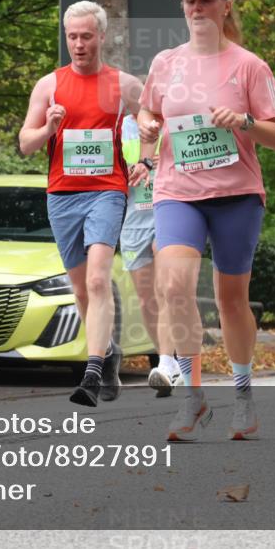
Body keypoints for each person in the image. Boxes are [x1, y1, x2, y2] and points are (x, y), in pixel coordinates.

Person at [137, 0, 275, 441]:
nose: (197, 9)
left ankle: (243, 397)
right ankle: (193, 396)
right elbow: (149, 109)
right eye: (190, 1)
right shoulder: (165, 62)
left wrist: (245, 120)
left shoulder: (249, 66)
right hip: (177, 190)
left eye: (206, 0)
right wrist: (145, 125)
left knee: (231, 299)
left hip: (236, 195)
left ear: (226, 6)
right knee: (175, 285)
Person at [19, 0, 145, 407]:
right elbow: (25, 144)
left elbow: (154, 119)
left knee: (97, 279)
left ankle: (90, 373)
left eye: (86, 36)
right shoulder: (49, 85)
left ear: (101, 37)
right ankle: (108, 353)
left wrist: (143, 158)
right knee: (81, 289)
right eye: (72, 36)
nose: (78, 44)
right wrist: (49, 127)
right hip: (62, 195)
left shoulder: (123, 84)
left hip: (108, 190)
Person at [118, 115, 182, 397]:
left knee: (166, 288)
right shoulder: (119, 126)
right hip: (134, 218)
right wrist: (126, 170)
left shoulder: (173, 120)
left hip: (168, 210)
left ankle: (169, 362)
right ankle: (165, 362)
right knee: (146, 298)